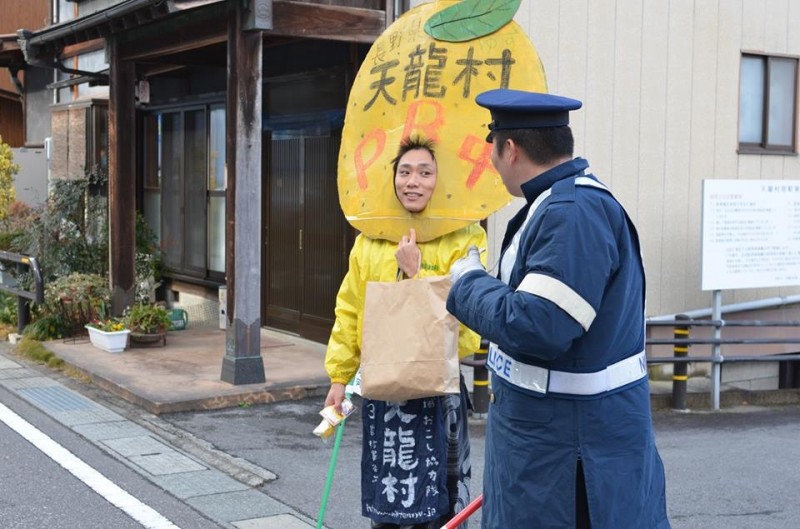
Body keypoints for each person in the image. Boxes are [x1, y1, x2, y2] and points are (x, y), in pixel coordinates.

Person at [446, 89, 671, 529]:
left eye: (491, 148)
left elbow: (536, 326)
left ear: (509, 149)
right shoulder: (556, 204)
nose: (491, 163)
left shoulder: (570, 213)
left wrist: (468, 282)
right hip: (557, 448)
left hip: (570, 458)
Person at [324, 135, 488, 529]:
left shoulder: (465, 238)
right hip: (384, 391)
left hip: (438, 392)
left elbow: (470, 324)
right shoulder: (370, 242)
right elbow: (350, 310)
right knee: (389, 499)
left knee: (442, 500)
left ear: (440, 181)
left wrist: (419, 274)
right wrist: (338, 376)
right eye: (405, 171)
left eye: (425, 172)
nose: (413, 181)